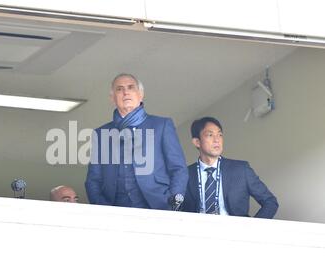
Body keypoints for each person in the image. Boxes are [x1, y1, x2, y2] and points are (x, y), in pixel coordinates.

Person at [85, 73, 188, 210]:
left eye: (131, 87)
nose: (125, 92)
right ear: (112, 98)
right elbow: (93, 179)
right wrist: (101, 206)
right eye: (119, 89)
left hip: (158, 206)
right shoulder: (101, 134)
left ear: (141, 95)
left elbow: (178, 168)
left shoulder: (161, 125)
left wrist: (172, 202)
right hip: (113, 210)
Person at [182, 116, 278, 218]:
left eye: (220, 135)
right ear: (197, 142)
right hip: (197, 231)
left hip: (235, 231)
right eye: (210, 135)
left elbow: (270, 202)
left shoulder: (241, 170)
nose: (217, 140)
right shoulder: (185, 174)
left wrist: (252, 229)